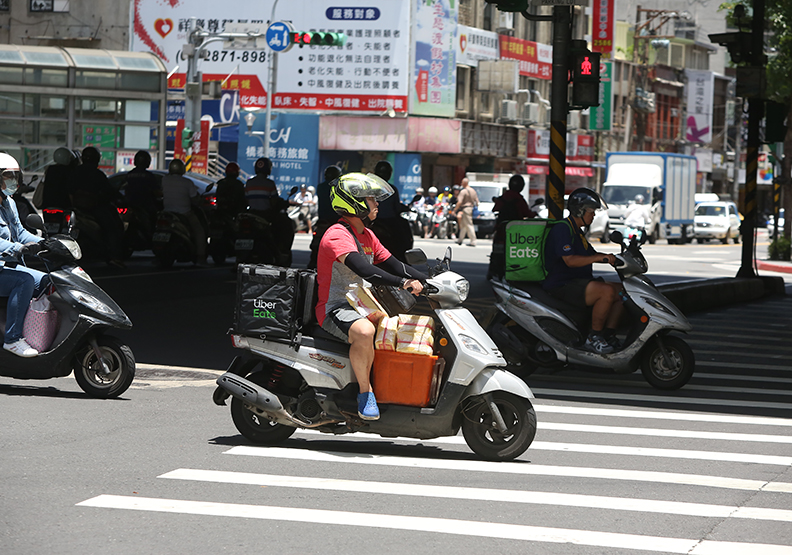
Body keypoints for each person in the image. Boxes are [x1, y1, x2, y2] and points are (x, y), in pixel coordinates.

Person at [316, 172, 426, 420]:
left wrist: (430, 279)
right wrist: (403, 283)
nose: (377, 204)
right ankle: (365, 394)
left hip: (360, 305)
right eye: (371, 199)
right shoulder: (338, 234)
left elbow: (395, 264)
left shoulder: (367, 235)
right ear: (353, 202)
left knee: (400, 328)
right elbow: (365, 270)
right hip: (335, 308)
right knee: (365, 331)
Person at [542, 187, 624, 354]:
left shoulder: (577, 232)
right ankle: (593, 338)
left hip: (578, 281)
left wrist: (615, 258)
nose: (593, 215)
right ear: (579, 211)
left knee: (622, 292)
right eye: (591, 211)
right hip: (562, 284)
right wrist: (599, 258)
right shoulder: (563, 229)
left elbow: (593, 254)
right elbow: (570, 261)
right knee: (606, 292)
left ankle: (608, 335)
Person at [0, 153, 48, 357]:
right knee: (25, 281)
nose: (13, 181)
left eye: (15, 176)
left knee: (47, 281)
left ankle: (35, 333)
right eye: (8, 176)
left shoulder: (8, 202)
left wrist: (47, 242)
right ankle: (12, 339)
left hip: (7, 266)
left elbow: (20, 232)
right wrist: (17, 248)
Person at [69, 146, 126, 268]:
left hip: (76, 208)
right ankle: (115, 257)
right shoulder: (97, 174)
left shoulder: (75, 172)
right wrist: (119, 198)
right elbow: (109, 191)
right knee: (112, 228)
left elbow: (69, 189)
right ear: (96, 159)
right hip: (94, 209)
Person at [488, 175, 537, 279]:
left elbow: (494, 209)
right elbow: (527, 213)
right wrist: (533, 213)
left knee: (496, 250)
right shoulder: (519, 199)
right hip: (516, 231)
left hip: (501, 229)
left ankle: (492, 270)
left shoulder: (503, 197)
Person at [162, 158, 207, 265]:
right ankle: (201, 256)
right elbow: (194, 198)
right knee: (199, 232)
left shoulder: (164, 180)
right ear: (182, 169)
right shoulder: (187, 182)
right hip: (184, 213)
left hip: (167, 213)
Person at [370, 160, 412, 261]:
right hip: (387, 222)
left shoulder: (368, 187)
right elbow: (396, 209)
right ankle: (402, 257)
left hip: (371, 221)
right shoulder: (391, 189)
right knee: (403, 234)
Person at [308, 165, 343, 269]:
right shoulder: (339, 188)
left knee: (316, 247)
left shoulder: (321, 187)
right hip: (336, 221)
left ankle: (312, 264)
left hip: (323, 221)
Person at [124, 150, 162, 232]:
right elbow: (157, 192)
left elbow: (125, 190)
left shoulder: (129, 175)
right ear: (147, 162)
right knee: (154, 226)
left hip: (131, 205)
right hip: (146, 206)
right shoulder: (149, 176)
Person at [455, 177, 479, 247]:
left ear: (465, 183)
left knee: (469, 224)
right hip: (471, 208)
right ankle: (460, 239)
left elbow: (459, 201)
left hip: (465, 208)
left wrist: (455, 210)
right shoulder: (473, 191)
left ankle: (473, 240)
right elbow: (477, 201)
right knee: (463, 225)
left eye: (462, 182)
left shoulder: (463, 191)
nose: (461, 184)